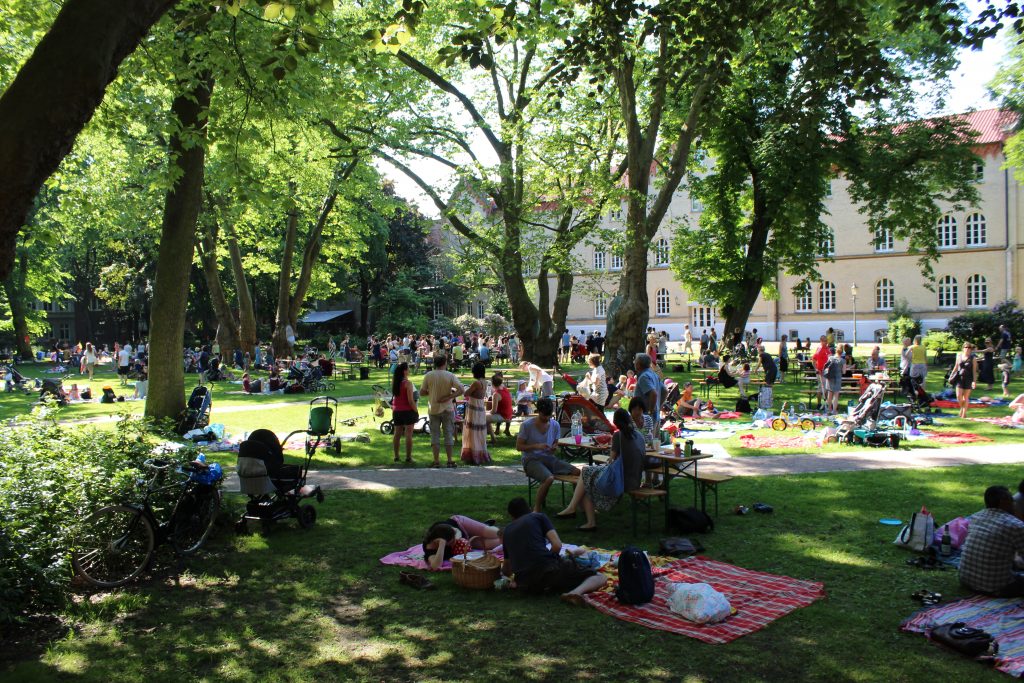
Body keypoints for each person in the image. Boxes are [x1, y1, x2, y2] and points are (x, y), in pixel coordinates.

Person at [501, 497, 607, 604]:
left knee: (554, 577)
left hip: (525, 584)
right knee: (599, 577)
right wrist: (552, 561)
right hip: (549, 571)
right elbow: (557, 545)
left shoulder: (507, 531)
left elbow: (506, 570)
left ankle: (550, 586)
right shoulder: (538, 517)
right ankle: (575, 593)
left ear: (512, 516)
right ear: (529, 508)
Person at [555, 408, 645, 531]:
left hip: (620, 480)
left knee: (586, 473)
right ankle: (580, 514)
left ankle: (577, 511)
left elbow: (611, 459)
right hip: (635, 480)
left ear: (616, 423)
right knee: (586, 477)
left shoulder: (618, 435)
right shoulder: (639, 436)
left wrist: (607, 449)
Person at [960, 485, 1024, 597]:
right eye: (1011, 500)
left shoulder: (975, 517)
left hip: (966, 580)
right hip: (996, 587)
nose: (1014, 504)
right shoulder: (1016, 525)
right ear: (1003, 502)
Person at [516, 398, 578, 513]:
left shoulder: (555, 425)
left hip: (549, 458)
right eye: (544, 416)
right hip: (531, 460)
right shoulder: (527, 425)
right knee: (549, 478)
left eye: (549, 416)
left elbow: (556, 443)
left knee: (577, 472)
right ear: (538, 412)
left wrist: (554, 447)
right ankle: (536, 509)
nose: (547, 418)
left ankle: (575, 506)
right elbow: (519, 446)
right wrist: (536, 446)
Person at [420, 355, 465, 468]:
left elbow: (422, 392)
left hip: (433, 408)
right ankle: (449, 460)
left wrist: (431, 392)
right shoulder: (450, 375)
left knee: (434, 435)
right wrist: (449, 397)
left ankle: (436, 461)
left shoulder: (428, 375)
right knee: (448, 434)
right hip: (447, 408)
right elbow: (461, 389)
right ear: (445, 363)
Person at [422, 516, 502, 570]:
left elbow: (457, 531)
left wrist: (457, 538)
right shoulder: (429, 549)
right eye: (451, 542)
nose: (454, 543)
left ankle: (485, 526)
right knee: (499, 542)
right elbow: (436, 566)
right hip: (468, 542)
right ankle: (485, 526)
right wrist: (442, 544)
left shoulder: (440, 528)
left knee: (498, 534)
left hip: (462, 524)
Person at [461, 362, 491, 465]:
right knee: (479, 432)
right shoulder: (485, 382)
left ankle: (473, 454)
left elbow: (466, 393)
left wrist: (463, 388)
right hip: (480, 407)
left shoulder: (476, 383)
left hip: (474, 408)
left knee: (472, 431)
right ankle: (480, 452)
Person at [391, 362, 418, 465]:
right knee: (408, 435)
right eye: (408, 369)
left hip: (396, 410)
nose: (409, 370)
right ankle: (408, 457)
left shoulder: (395, 381)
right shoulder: (408, 383)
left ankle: (396, 456)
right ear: (404, 371)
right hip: (407, 411)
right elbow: (411, 400)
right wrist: (416, 410)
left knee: (397, 434)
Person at [634, 353, 662, 438]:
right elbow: (665, 391)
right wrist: (658, 406)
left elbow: (653, 393)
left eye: (635, 361)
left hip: (646, 417)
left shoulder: (644, 377)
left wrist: (650, 412)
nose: (634, 362)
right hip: (654, 416)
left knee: (646, 442)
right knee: (654, 443)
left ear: (639, 364)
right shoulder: (653, 374)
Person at [948, 342, 979, 419]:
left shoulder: (973, 359)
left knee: (966, 397)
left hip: (968, 379)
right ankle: (962, 408)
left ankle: (964, 413)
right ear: (963, 348)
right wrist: (951, 376)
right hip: (959, 378)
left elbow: (974, 371)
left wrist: (974, 381)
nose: (967, 349)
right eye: (966, 347)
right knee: (958, 396)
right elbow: (955, 367)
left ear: (971, 349)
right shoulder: (959, 356)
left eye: (969, 348)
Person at [487, 374, 514, 442]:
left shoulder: (496, 394)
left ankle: (482, 439)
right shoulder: (505, 389)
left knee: (481, 417)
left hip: (504, 416)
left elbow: (493, 411)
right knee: (484, 416)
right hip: (508, 414)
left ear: (492, 384)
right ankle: (493, 438)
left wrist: (486, 412)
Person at [823, 346, 844, 414]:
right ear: (842, 352)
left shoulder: (830, 358)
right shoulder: (842, 360)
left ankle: (829, 409)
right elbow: (844, 371)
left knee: (829, 395)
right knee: (836, 396)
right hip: (837, 378)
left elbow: (826, 367)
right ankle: (834, 410)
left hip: (830, 377)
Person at [812, 335, 830, 400]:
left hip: (827, 371)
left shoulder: (828, 349)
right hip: (820, 372)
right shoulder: (819, 349)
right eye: (825, 341)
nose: (826, 342)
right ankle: (819, 404)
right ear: (821, 341)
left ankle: (827, 403)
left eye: (826, 340)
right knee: (821, 388)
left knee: (827, 388)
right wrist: (816, 369)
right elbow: (813, 360)